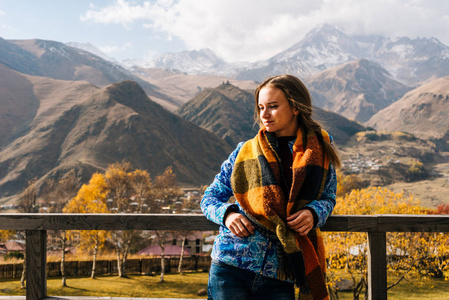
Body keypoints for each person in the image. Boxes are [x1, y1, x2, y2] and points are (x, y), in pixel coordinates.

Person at [201, 74, 340, 300]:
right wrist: (227, 215)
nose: (264, 115)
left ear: (295, 107)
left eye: (273, 107)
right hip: (230, 267)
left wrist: (314, 214)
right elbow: (209, 198)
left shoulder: (319, 151)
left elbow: (328, 198)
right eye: (261, 107)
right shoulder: (244, 152)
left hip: (280, 273)